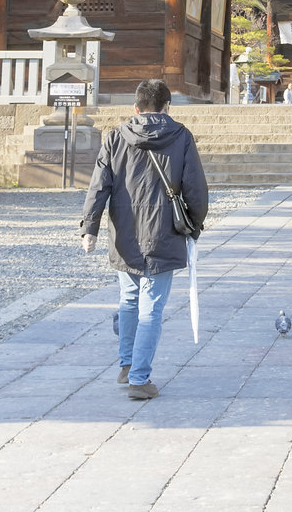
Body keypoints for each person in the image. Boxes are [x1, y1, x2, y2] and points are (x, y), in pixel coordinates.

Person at [81, 78, 209, 400]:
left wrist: (90, 228)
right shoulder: (180, 137)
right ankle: (140, 379)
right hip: (163, 234)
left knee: (128, 300)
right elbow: (196, 190)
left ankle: (127, 366)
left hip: (124, 234)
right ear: (167, 106)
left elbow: (99, 186)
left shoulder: (114, 138)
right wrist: (194, 225)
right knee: (151, 308)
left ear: (136, 108)